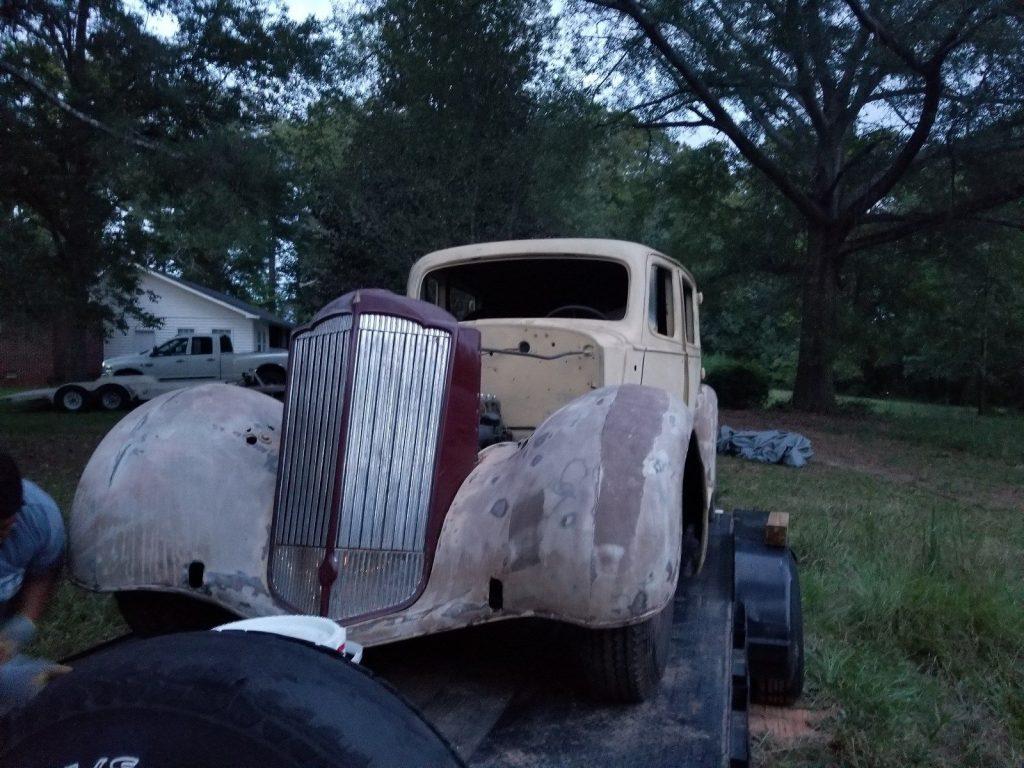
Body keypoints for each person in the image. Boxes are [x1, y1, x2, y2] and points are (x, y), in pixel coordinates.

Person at [0, 450, 68, 713]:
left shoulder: (41, 517)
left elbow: (43, 573)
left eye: (4, 528)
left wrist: (21, 627)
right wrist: (17, 682)